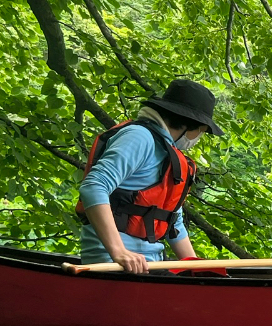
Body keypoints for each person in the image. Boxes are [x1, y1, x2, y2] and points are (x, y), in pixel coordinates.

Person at [76, 78, 223, 273]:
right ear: (189, 124)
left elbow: (172, 218)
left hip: (149, 262)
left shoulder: (166, 150)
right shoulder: (139, 138)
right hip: (115, 262)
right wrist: (119, 252)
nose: (197, 138)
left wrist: (193, 265)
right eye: (201, 131)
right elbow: (94, 186)